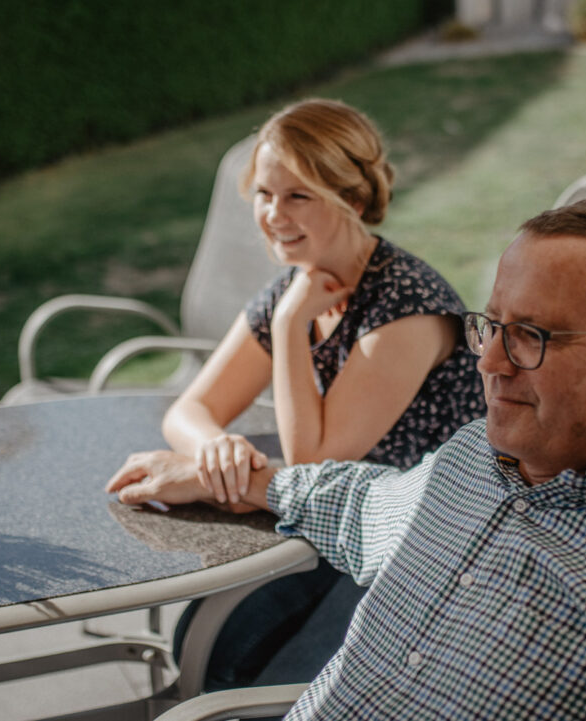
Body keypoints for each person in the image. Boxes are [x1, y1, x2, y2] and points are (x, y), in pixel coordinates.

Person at [108, 196, 586, 719]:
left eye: (531, 334)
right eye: (492, 324)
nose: (490, 361)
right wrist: (236, 476)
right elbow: (361, 505)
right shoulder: (474, 458)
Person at [113, 98, 484, 690]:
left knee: (255, 679)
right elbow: (192, 407)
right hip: (326, 522)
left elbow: (317, 462)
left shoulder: (405, 306)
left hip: (416, 549)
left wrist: (289, 327)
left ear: (354, 201)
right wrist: (217, 451)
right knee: (205, 644)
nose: (273, 215)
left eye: (298, 196)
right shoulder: (299, 285)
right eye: (264, 194)